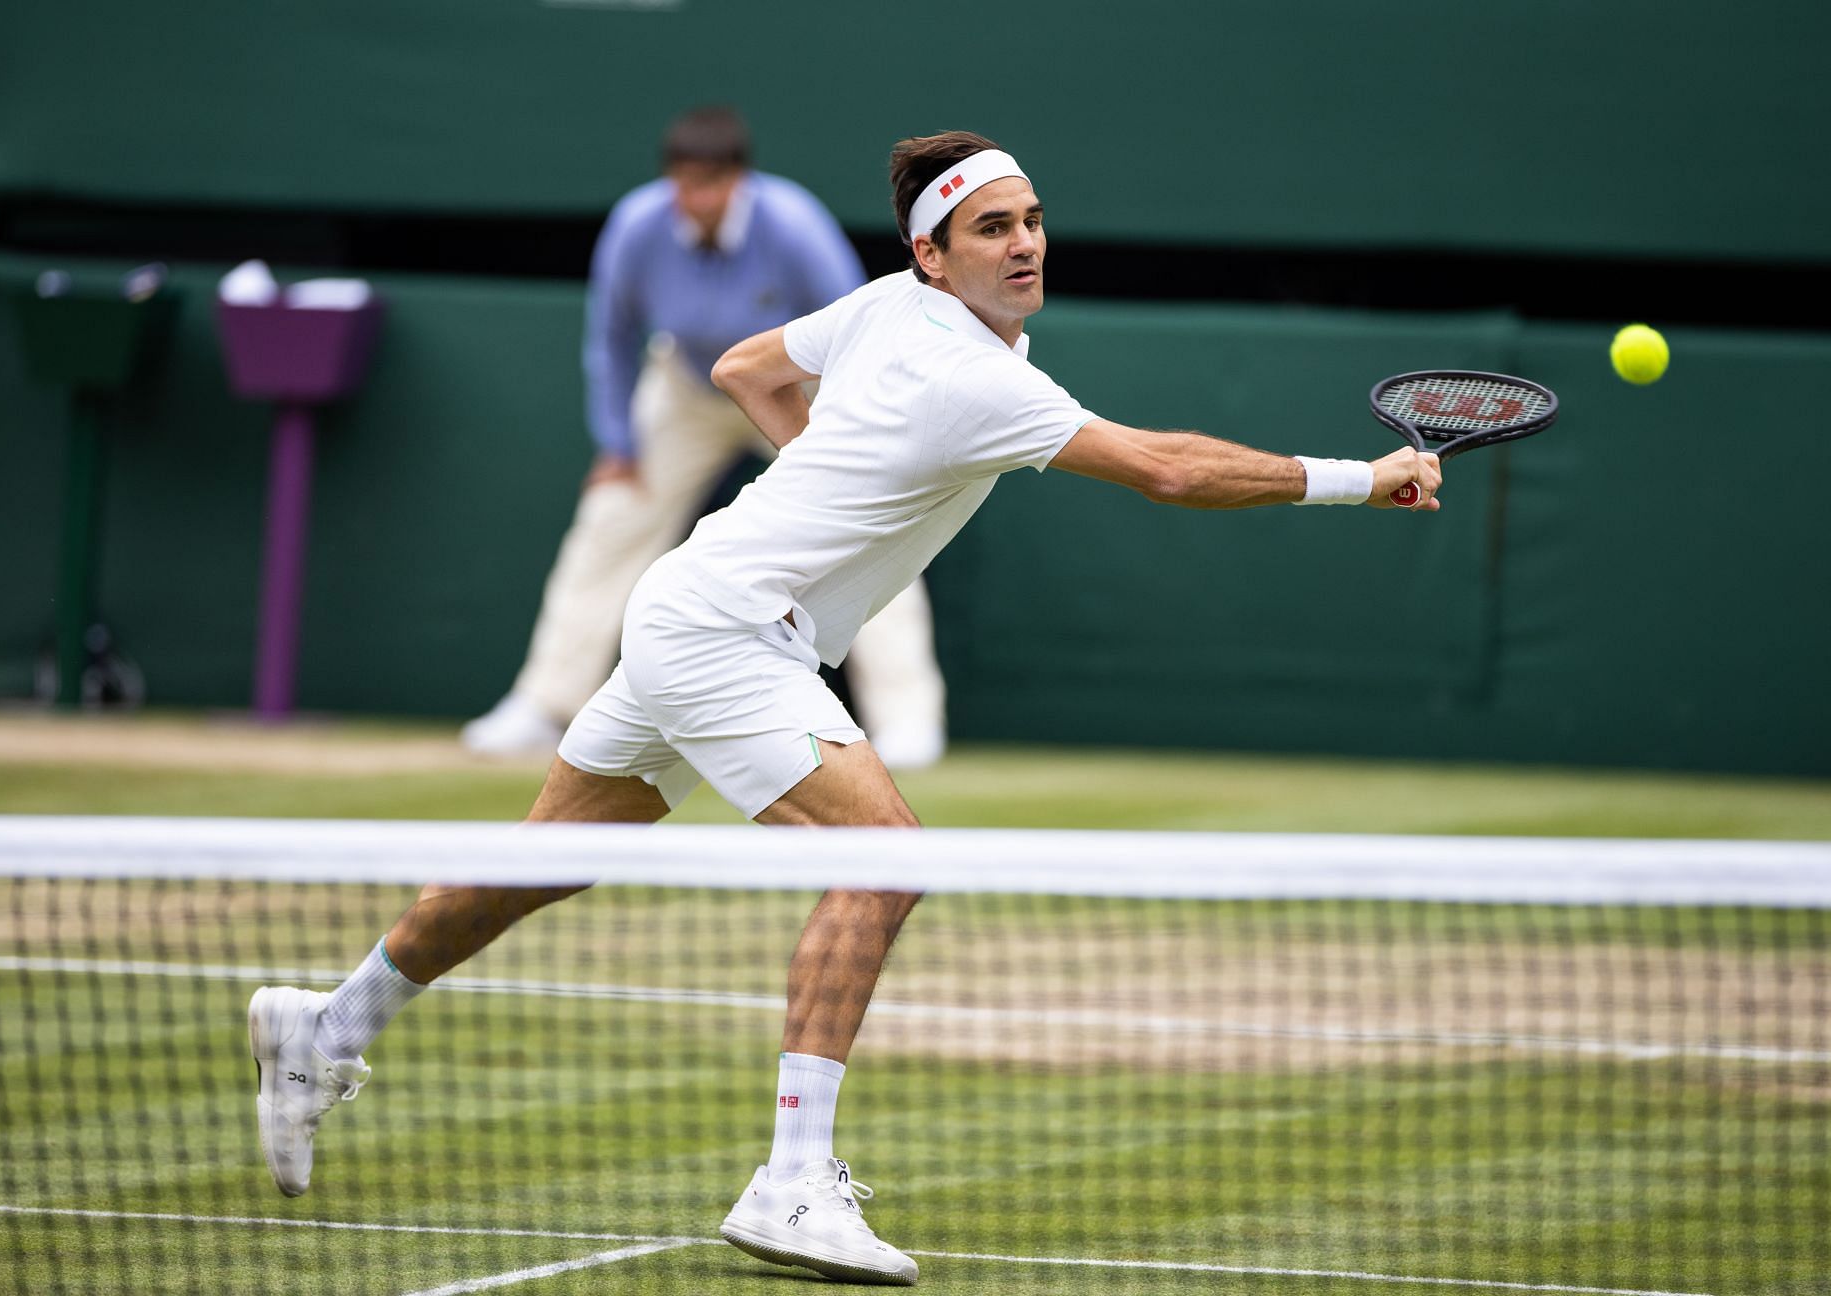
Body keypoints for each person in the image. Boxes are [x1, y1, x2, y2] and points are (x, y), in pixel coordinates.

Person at [249, 130, 1442, 1286]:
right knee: (884, 863)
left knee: (539, 865)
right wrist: (1364, 478)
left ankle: (323, 1030)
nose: (1024, 245)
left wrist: (829, 476)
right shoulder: (970, 376)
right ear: (936, 252)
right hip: (725, 633)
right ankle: (791, 1181)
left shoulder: (888, 306)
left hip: (695, 603)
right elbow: (1169, 469)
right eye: (991, 229)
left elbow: (745, 370)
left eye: (1031, 221)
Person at [462, 105, 948, 769]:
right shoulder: (639, 225)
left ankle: (908, 722)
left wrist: (850, 437)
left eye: (711, 182)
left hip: (793, 387)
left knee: (865, 532)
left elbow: (857, 329)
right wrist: (617, 443)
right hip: (686, 390)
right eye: (685, 183)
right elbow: (609, 338)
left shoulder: (793, 224)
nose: (697, 198)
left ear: (738, 180)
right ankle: (545, 703)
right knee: (611, 521)